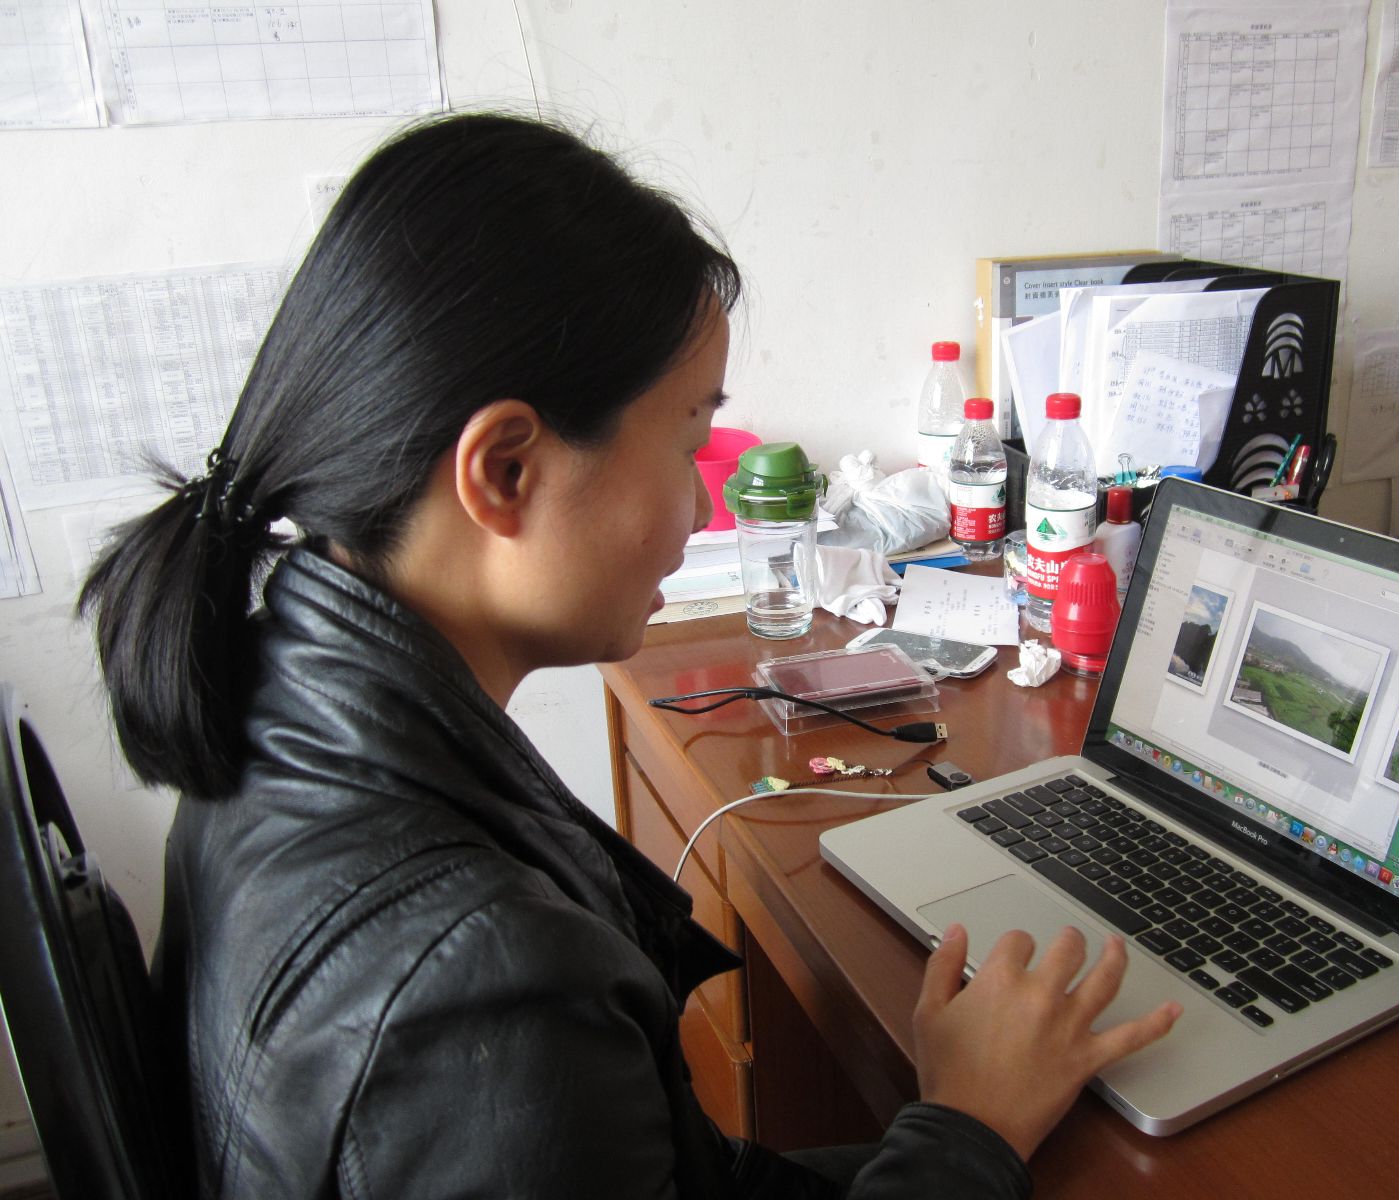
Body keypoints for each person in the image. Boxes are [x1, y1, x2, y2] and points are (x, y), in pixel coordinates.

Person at [78, 111, 1181, 1198]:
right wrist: (967, 1125)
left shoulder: (275, 690)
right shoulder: (482, 994)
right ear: (504, 471)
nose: (702, 506)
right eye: (690, 440)